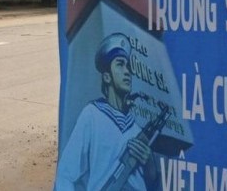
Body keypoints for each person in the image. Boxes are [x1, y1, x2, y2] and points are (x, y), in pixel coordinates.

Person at [54, 33, 157, 191]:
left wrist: (150, 164)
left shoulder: (136, 130)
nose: (127, 71)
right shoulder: (92, 116)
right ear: (107, 77)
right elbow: (66, 173)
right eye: (120, 64)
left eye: (128, 66)